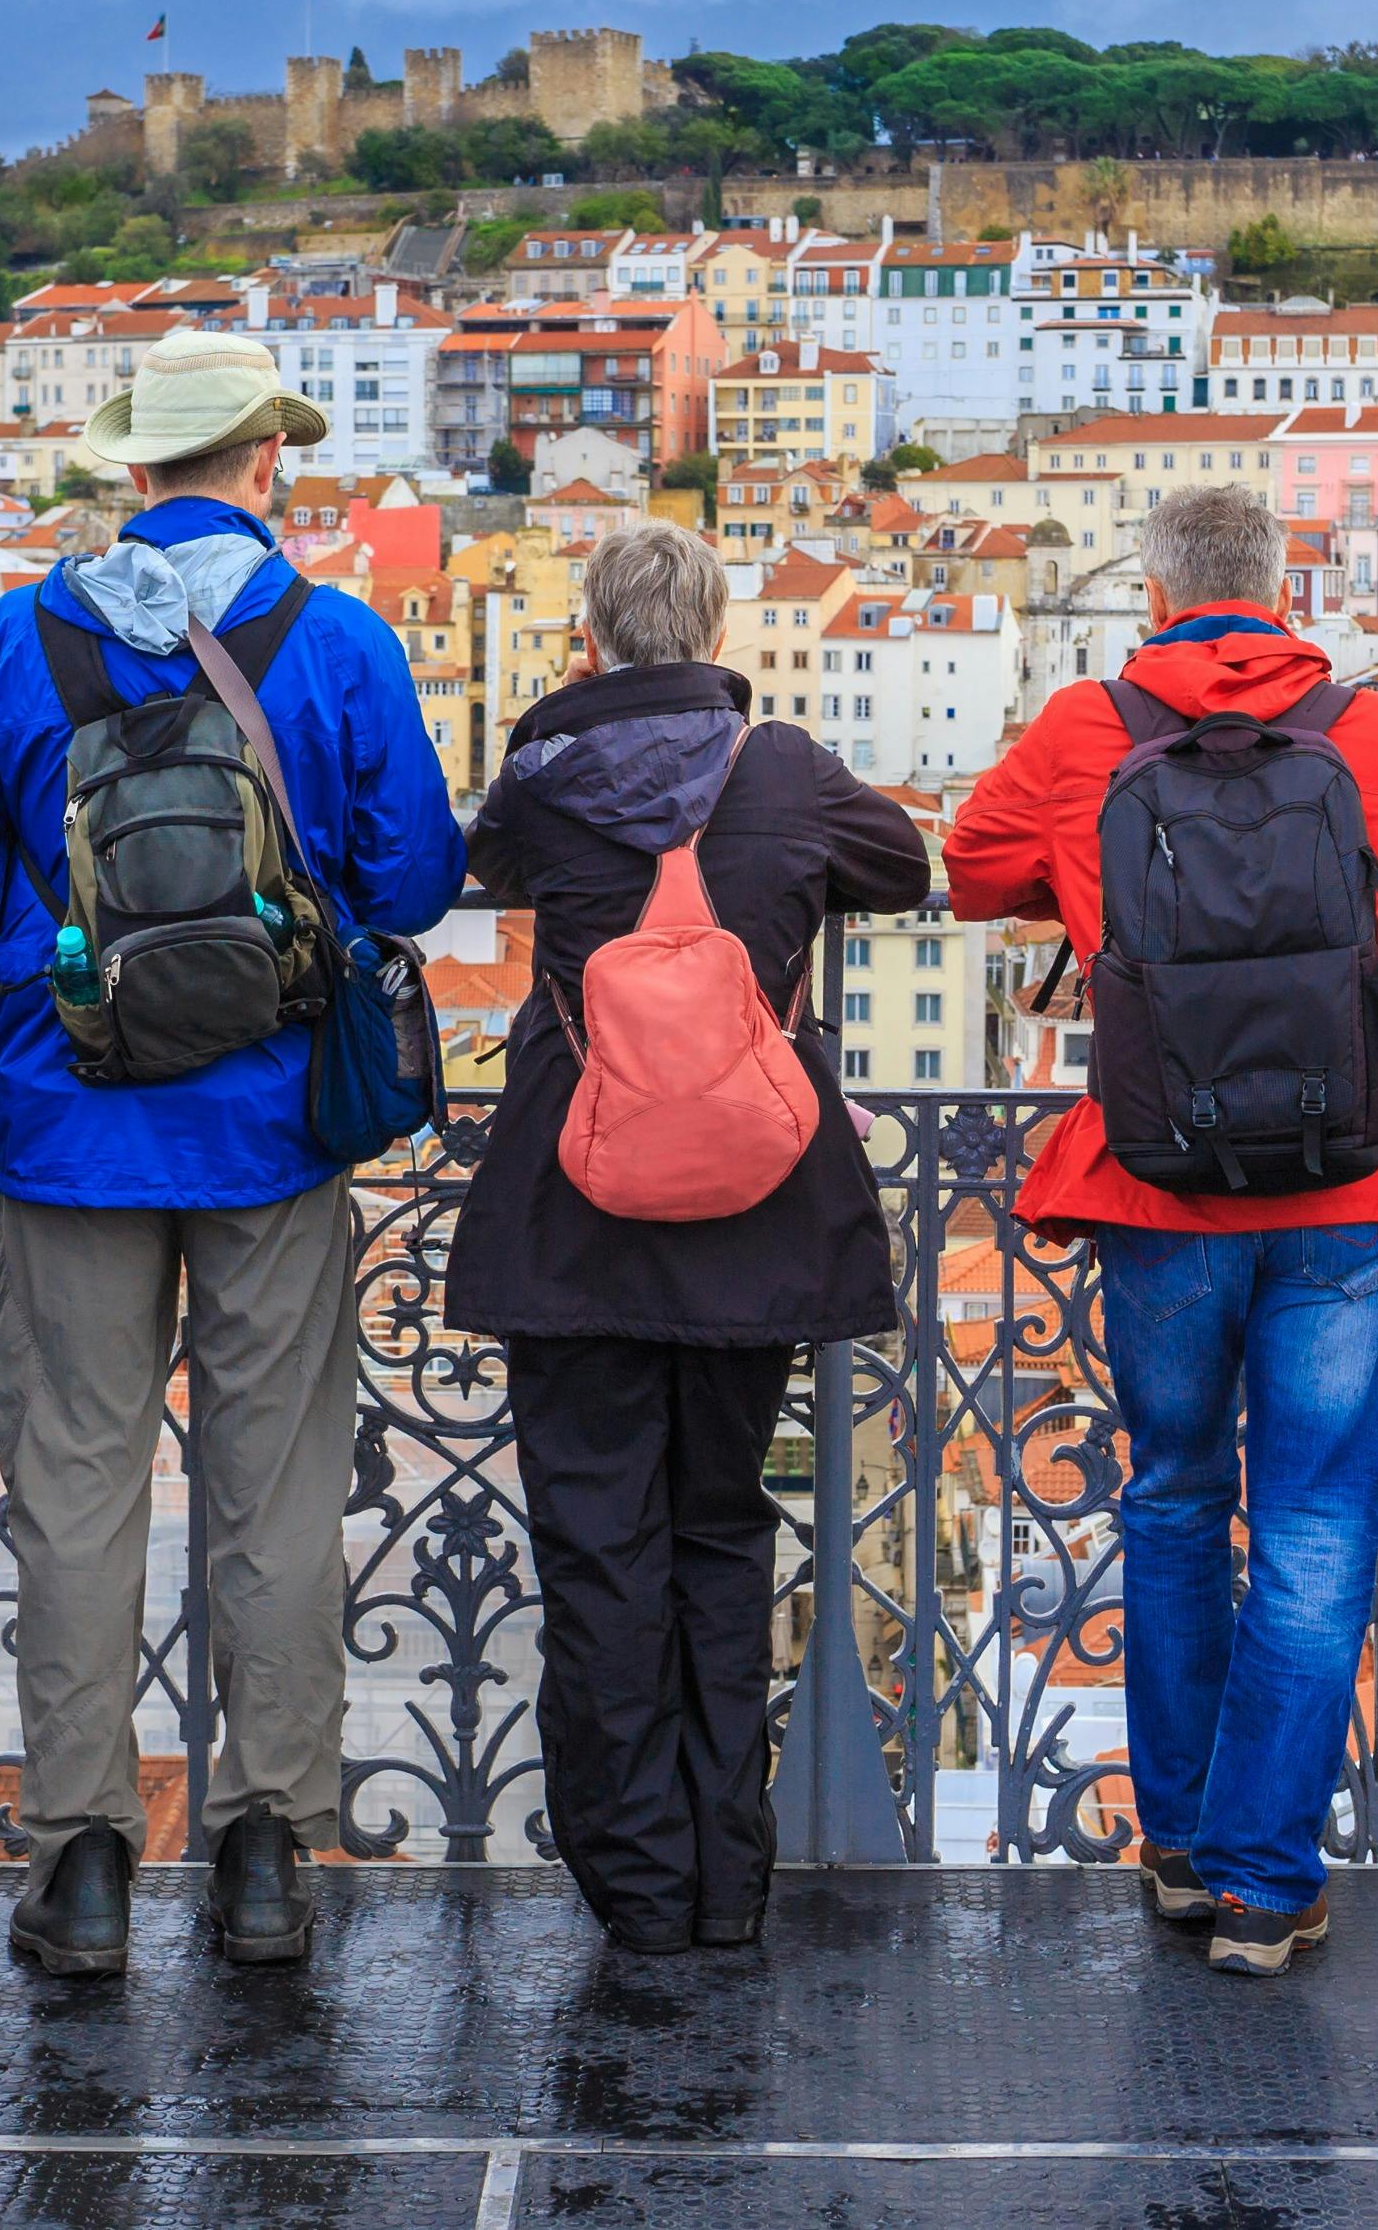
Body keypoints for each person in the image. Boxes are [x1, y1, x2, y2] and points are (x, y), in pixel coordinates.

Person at [0, 327, 463, 1979]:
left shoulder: (17, 636)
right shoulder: (334, 638)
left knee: (75, 1493)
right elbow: (415, 875)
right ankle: (266, 1848)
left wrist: (57, 941)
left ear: (135, 473)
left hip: (71, 1116)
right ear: (267, 465)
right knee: (270, 1489)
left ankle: (78, 1864)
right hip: (275, 1124)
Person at [944, 483, 1378, 1976]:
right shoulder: (1364, 730)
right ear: (1284, 587)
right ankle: (1262, 1874)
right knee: (1313, 1516)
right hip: (1339, 1183)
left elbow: (974, 864)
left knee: (1174, 1491)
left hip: (1157, 1180)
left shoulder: (1084, 725)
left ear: (1158, 597)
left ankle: (1178, 1844)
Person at [445, 519, 926, 1952]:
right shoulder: (779, 771)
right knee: (723, 1534)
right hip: (749, 1209)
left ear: (588, 636)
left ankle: (637, 1880)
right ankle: (730, 1875)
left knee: (599, 1548)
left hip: (572, 1210)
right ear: (718, 635)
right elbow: (900, 866)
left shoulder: (542, 778)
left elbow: (470, 871)